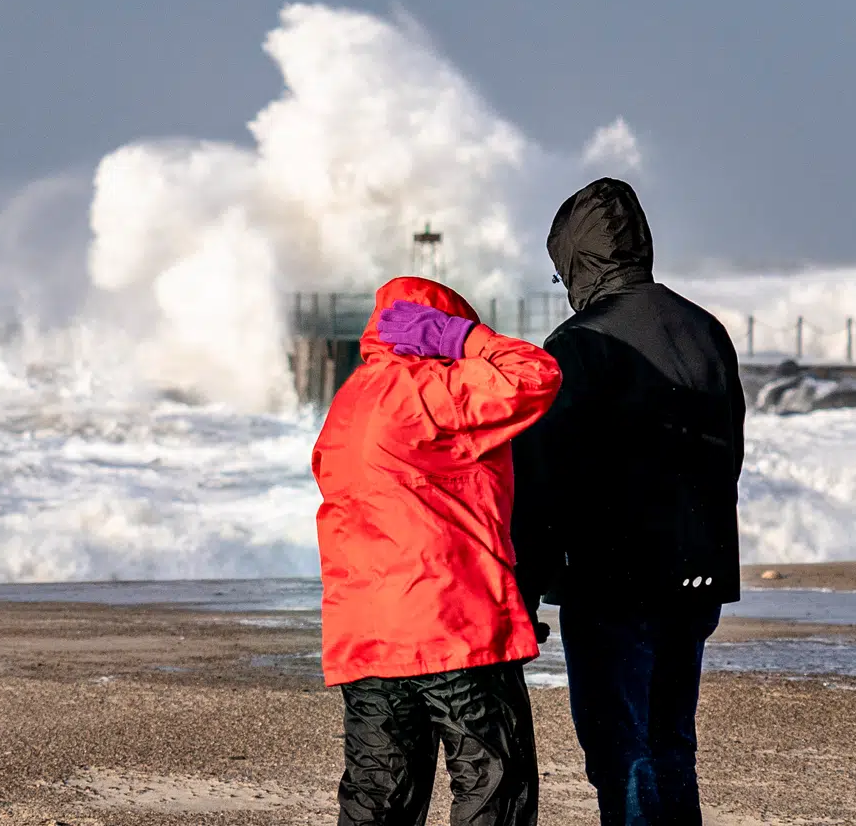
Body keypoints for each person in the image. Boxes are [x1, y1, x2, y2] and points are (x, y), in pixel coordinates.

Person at [512, 178, 746, 826]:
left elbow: (541, 487)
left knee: (624, 755)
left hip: (613, 583)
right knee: (672, 743)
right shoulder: (706, 330)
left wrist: (521, 592)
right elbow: (731, 455)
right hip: (696, 577)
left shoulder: (581, 345)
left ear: (574, 259)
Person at [312, 275, 562, 826]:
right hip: (453, 625)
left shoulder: (348, 401)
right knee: (493, 790)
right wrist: (464, 337)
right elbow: (536, 373)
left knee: (378, 800)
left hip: (367, 635)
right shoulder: (433, 389)